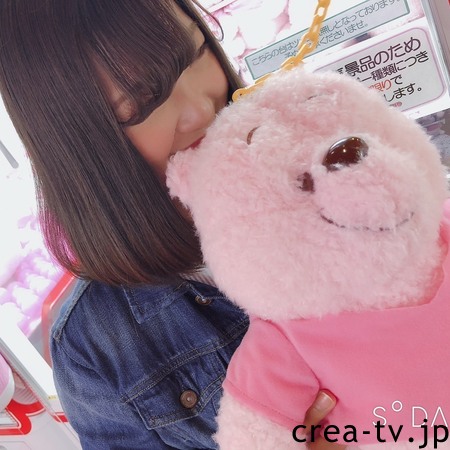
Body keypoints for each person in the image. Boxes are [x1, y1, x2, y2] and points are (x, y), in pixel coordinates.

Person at [0, 1, 338, 448]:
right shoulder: (99, 349)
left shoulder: (327, 156)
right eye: (142, 102)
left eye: (195, 54)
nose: (201, 109)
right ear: (81, 145)